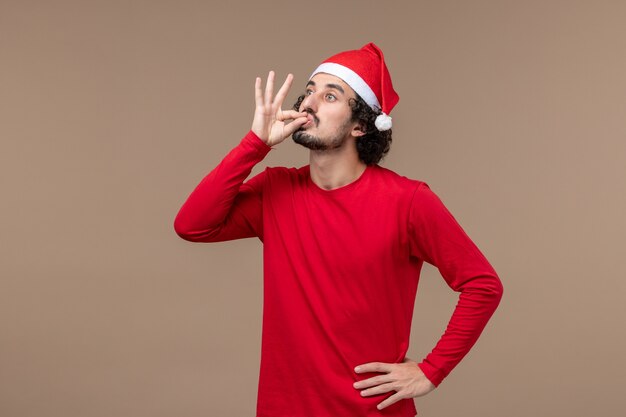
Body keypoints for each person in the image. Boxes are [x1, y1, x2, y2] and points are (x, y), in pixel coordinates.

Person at [174, 42, 503, 417]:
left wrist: (432, 371)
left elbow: (483, 284)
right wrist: (255, 145)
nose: (309, 103)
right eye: (309, 92)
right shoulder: (275, 190)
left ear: (360, 125)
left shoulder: (408, 200)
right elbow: (192, 225)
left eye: (330, 96)